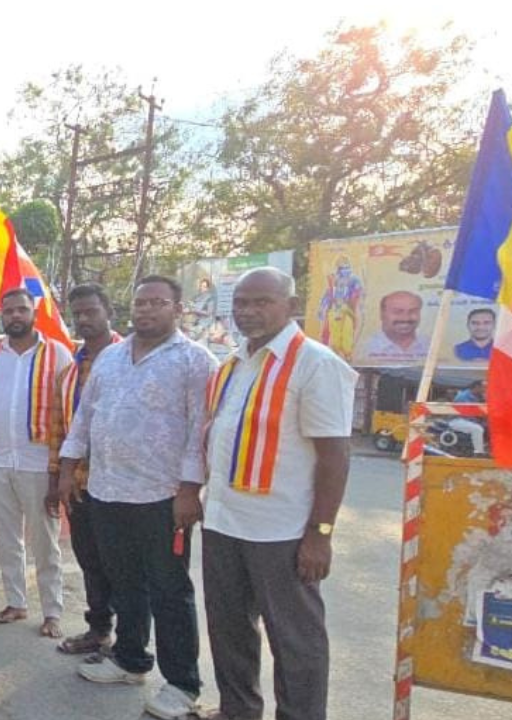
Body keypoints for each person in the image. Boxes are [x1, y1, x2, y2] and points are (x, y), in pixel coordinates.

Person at [202, 267, 356, 720]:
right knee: (229, 629)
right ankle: (238, 710)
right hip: (223, 522)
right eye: (241, 303)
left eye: (261, 302)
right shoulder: (234, 363)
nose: (248, 311)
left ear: (290, 306)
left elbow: (334, 456)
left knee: (295, 639)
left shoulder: (315, 364)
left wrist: (320, 534)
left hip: (282, 531)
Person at [59, 276, 216, 720]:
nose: (145, 310)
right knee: (123, 582)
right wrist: (68, 469)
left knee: (169, 590)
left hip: (161, 497)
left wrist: (189, 490)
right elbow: (84, 418)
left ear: (178, 309)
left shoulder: (195, 361)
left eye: (157, 302)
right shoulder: (110, 357)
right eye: (139, 303)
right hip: (106, 491)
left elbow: (199, 431)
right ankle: (130, 659)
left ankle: (182, 684)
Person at [0, 288, 72, 638]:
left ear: (34, 313)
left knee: (45, 542)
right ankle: (16, 602)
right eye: (8, 311)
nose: (14, 316)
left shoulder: (57, 354)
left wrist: (62, 469)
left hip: (38, 462)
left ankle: (52, 611)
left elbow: (68, 413)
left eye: (21, 310)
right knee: (6, 536)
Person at [47, 283, 123, 655]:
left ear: (109, 312)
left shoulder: (131, 361)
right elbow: (58, 430)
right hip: (79, 484)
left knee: (123, 566)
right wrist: (57, 478)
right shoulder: (69, 372)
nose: (83, 319)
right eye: (77, 314)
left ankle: (131, 645)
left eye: (91, 311)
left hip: (123, 486)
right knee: (91, 561)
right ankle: (99, 629)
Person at [363, 290, 426, 362]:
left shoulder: (430, 346)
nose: (405, 318)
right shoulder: (365, 350)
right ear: (382, 314)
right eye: (397, 312)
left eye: (413, 311)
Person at [451, 380, 487, 456]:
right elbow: (468, 415)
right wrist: (481, 421)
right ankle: (479, 452)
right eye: (484, 387)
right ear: (477, 387)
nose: (486, 389)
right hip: (459, 420)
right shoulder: (463, 397)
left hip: (471, 419)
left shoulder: (478, 396)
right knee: (477, 429)